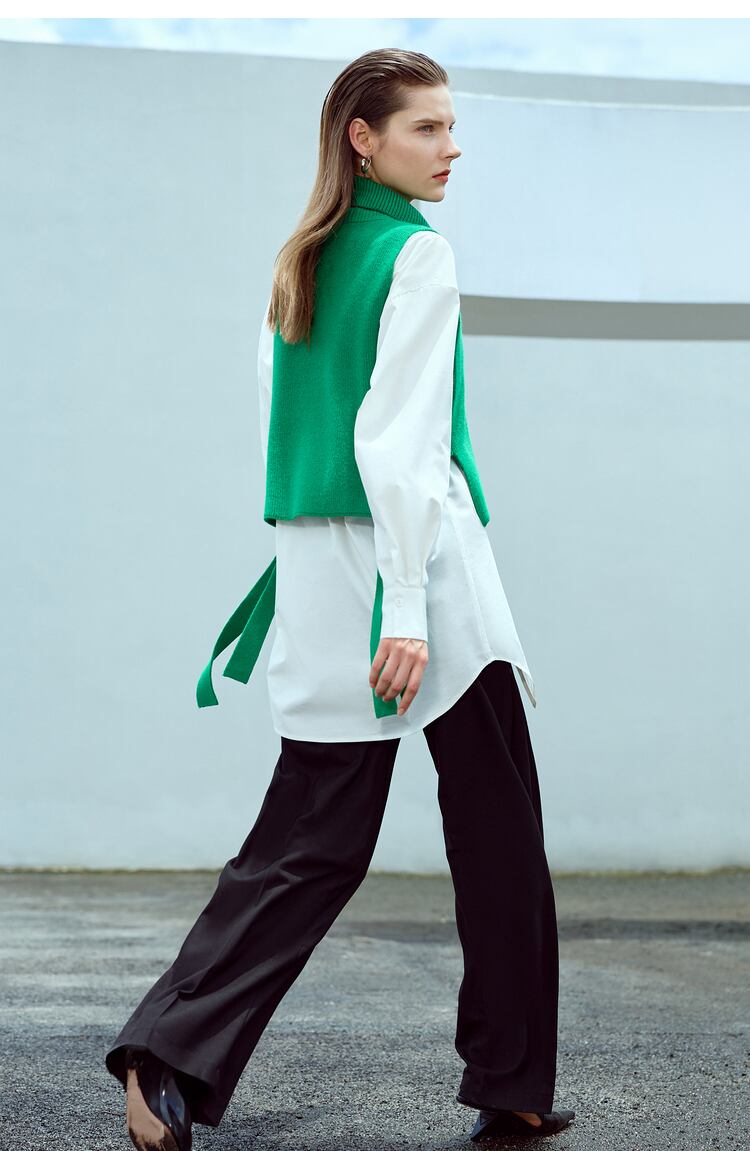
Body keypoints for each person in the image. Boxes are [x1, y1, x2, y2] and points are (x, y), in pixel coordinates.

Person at [103, 48, 575, 1149]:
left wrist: (342, 577)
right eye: (427, 128)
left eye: (451, 126)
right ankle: (511, 1078)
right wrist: (404, 604)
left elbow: (295, 430)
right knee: (500, 834)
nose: (451, 148)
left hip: (319, 573)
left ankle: (167, 1056)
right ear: (364, 139)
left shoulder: (301, 259)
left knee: (311, 837)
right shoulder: (419, 255)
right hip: (426, 581)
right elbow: (399, 440)